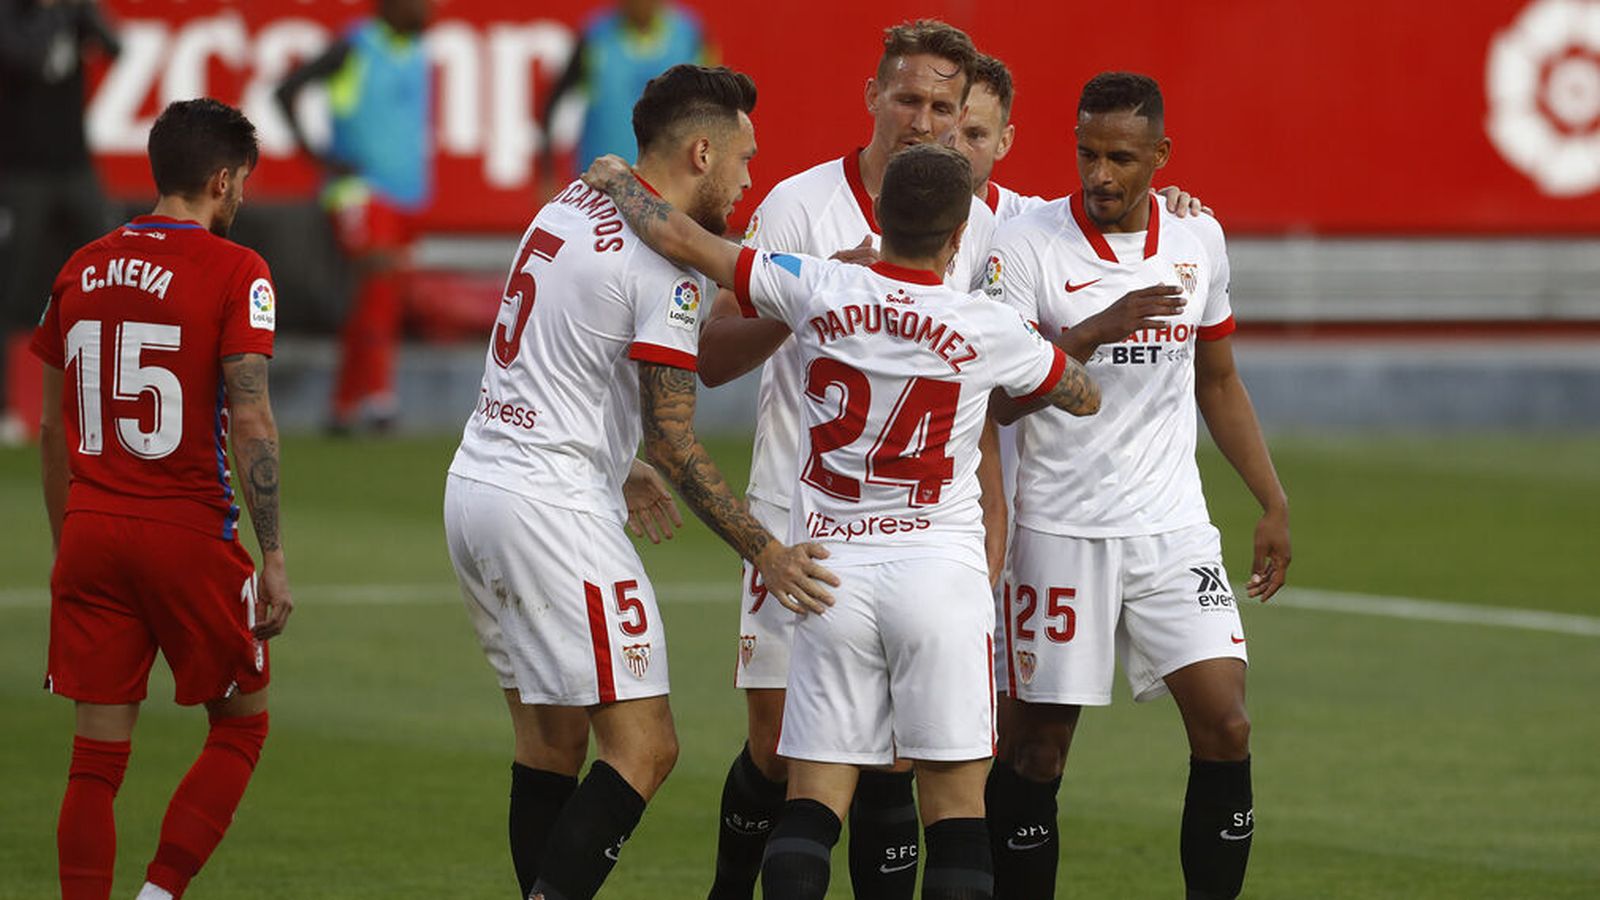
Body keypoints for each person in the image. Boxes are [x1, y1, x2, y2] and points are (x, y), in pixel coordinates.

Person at [585, 139, 1102, 900]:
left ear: (880, 218)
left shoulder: (818, 284)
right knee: (957, 811)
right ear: (960, 238)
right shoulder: (987, 327)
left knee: (812, 803)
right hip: (941, 578)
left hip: (831, 577)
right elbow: (1080, 393)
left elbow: (679, 237)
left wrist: (615, 181)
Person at [442, 64, 837, 900]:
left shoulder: (568, 206)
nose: (749, 177)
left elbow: (566, 360)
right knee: (646, 747)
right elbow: (675, 437)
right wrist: (765, 550)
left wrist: (618, 463)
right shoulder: (663, 266)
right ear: (702, 151)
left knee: (549, 745)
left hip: (478, 488)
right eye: (744, 158)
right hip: (551, 510)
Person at [695, 22, 997, 899]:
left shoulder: (973, 219)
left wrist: (1182, 211)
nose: (924, 119)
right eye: (908, 98)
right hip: (796, 516)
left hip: (918, 531)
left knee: (899, 756)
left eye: (945, 105)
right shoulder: (797, 205)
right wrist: (818, 292)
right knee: (780, 745)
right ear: (872, 96)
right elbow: (711, 352)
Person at [981, 72, 1292, 900]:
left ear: (1162, 155)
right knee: (1035, 751)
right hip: (1060, 529)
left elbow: (1217, 380)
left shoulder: (1199, 241)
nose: (1101, 175)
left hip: (1171, 526)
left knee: (1226, 724)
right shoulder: (1029, 248)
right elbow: (1003, 399)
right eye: (1086, 153)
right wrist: (1092, 331)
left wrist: (1271, 499)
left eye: (1121, 157)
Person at [32, 98, 292, 900]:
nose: (241, 197)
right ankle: (157, 895)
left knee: (96, 760)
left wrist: (67, 543)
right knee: (242, 727)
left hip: (90, 530)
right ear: (220, 179)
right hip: (185, 533)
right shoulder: (237, 270)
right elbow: (249, 416)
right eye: (241, 181)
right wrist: (274, 555)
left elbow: (51, 428)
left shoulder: (79, 267)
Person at [274, 0, 432, 433]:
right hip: (360, 190)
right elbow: (286, 90)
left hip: (405, 195)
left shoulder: (419, 51)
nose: (428, 9)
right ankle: (380, 400)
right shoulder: (355, 46)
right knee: (377, 285)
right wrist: (317, 155)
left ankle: (343, 406)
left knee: (378, 298)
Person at [0, 0, 120, 443]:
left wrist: (80, 13)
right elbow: (28, 60)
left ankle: (113, 398)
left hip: (74, 168)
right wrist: (56, 14)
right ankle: (4, 409)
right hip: (22, 172)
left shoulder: (75, 12)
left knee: (113, 276)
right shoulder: (11, 15)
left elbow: (116, 48)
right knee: (9, 286)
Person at [537, 0, 713, 189]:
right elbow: (554, 102)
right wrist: (547, 175)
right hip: (601, 186)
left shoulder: (688, 36)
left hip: (671, 185)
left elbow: (713, 107)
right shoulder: (595, 37)